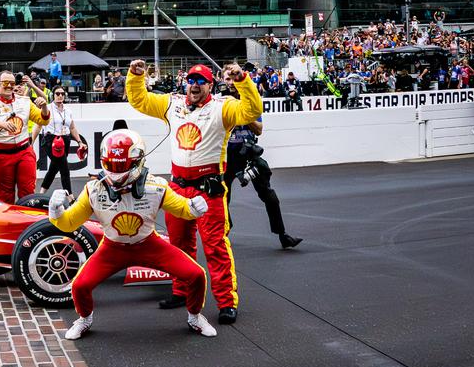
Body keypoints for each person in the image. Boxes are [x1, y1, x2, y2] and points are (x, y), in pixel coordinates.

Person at [126, 59, 261, 325]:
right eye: (191, 80)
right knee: (178, 245)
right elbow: (140, 101)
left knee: (215, 247)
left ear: (210, 84)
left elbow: (253, 109)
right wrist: (136, 75)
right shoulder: (173, 103)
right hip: (177, 188)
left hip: (208, 188)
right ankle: (181, 291)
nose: (195, 85)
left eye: (201, 81)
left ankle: (226, 302)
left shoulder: (223, 108)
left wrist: (242, 80)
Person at [50, 129, 217, 340]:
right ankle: (84, 319)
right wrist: (56, 211)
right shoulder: (94, 189)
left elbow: (182, 209)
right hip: (112, 248)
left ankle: (194, 317)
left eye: (121, 166)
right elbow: (68, 224)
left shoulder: (156, 187)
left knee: (196, 274)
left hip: (149, 244)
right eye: (110, 166)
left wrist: (195, 207)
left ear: (138, 162)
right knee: (80, 285)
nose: (115, 173)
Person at [222, 70, 303, 249]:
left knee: (269, 196)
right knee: (222, 199)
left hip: (248, 155)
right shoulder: (218, 103)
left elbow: (259, 129)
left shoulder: (251, 101)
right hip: (225, 158)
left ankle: (283, 235)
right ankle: (223, 235)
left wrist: (242, 112)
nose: (231, 83)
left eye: (233, 78)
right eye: (227, 79)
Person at [0, 72, 49, 203]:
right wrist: (0, 125)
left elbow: (43, 120)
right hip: (2, 154)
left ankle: (27, 221)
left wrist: (44, 106)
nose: (9, 86)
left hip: (24, 151)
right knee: (5, 195)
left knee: (27, 192)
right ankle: (9, 222)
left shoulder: (25, 101)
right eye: (6, 83)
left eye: (12, 83)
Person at [40, 87, 87, 194]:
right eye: (57, 93)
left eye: (62, 93)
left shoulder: (68, 110)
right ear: (53, 95)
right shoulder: (47, 108)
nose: (60, 96)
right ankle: (69, 196)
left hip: (65, 140)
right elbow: (38, 125)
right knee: (64, 169)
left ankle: (41, 193)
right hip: (51, 140)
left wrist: (79, 142)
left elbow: (72, 128)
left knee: (53, 169)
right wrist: (32, 141)